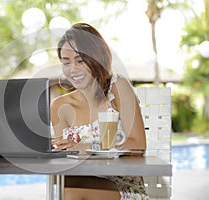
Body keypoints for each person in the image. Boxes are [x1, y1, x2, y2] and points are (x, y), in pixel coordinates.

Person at [51, 23, 149, 200]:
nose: (73, 69)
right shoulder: (59, 106)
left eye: (80, 60)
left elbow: (138, 145)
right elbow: (63, 163)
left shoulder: (118, 87)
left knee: (69, 191)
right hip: (79, 181)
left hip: (122, 184)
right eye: (66, 62)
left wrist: (88, 148)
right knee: (65, 186)